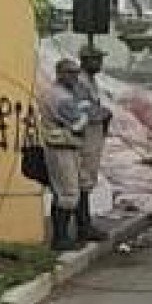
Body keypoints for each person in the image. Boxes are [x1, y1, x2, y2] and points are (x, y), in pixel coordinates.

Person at [42, 58, 106, 251]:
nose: (74, 77)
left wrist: (88, 110)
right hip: (60, 148)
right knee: (67, 193)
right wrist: (91, 112)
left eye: (76, 73)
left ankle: (72, 232)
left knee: (74, 188)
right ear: (59, 73)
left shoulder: (67, 93)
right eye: (70, 73)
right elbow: (80, 120)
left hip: (69, 147)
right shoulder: (60, 97)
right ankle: (60, 238)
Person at [74, 47, 113, 241]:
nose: (99, 64)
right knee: (84, 178)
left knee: (88, 177)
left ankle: (85, 221)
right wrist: (104, 113)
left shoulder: (91, 81)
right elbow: (85, 110)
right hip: (87, 134)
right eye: (96, 60)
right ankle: (83, 224)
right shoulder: (81, 83)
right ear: (85, 61)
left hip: (94, 133)